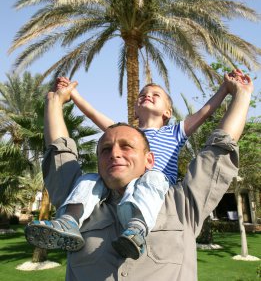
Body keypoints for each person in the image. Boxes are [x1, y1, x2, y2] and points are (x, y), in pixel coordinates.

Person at [31, 70, 252, 280]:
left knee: (153, 177)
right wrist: (57, 99)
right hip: (92, 196)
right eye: (106, 149)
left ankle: (137, 226)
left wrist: (233, 91)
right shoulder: (83, 190)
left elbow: (218, 144)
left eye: (127, 146)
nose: (115, 153)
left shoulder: (182, 205)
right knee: (88, 179)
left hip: (158, 186)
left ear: (149, 158)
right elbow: (60, 150)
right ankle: (69, 221)